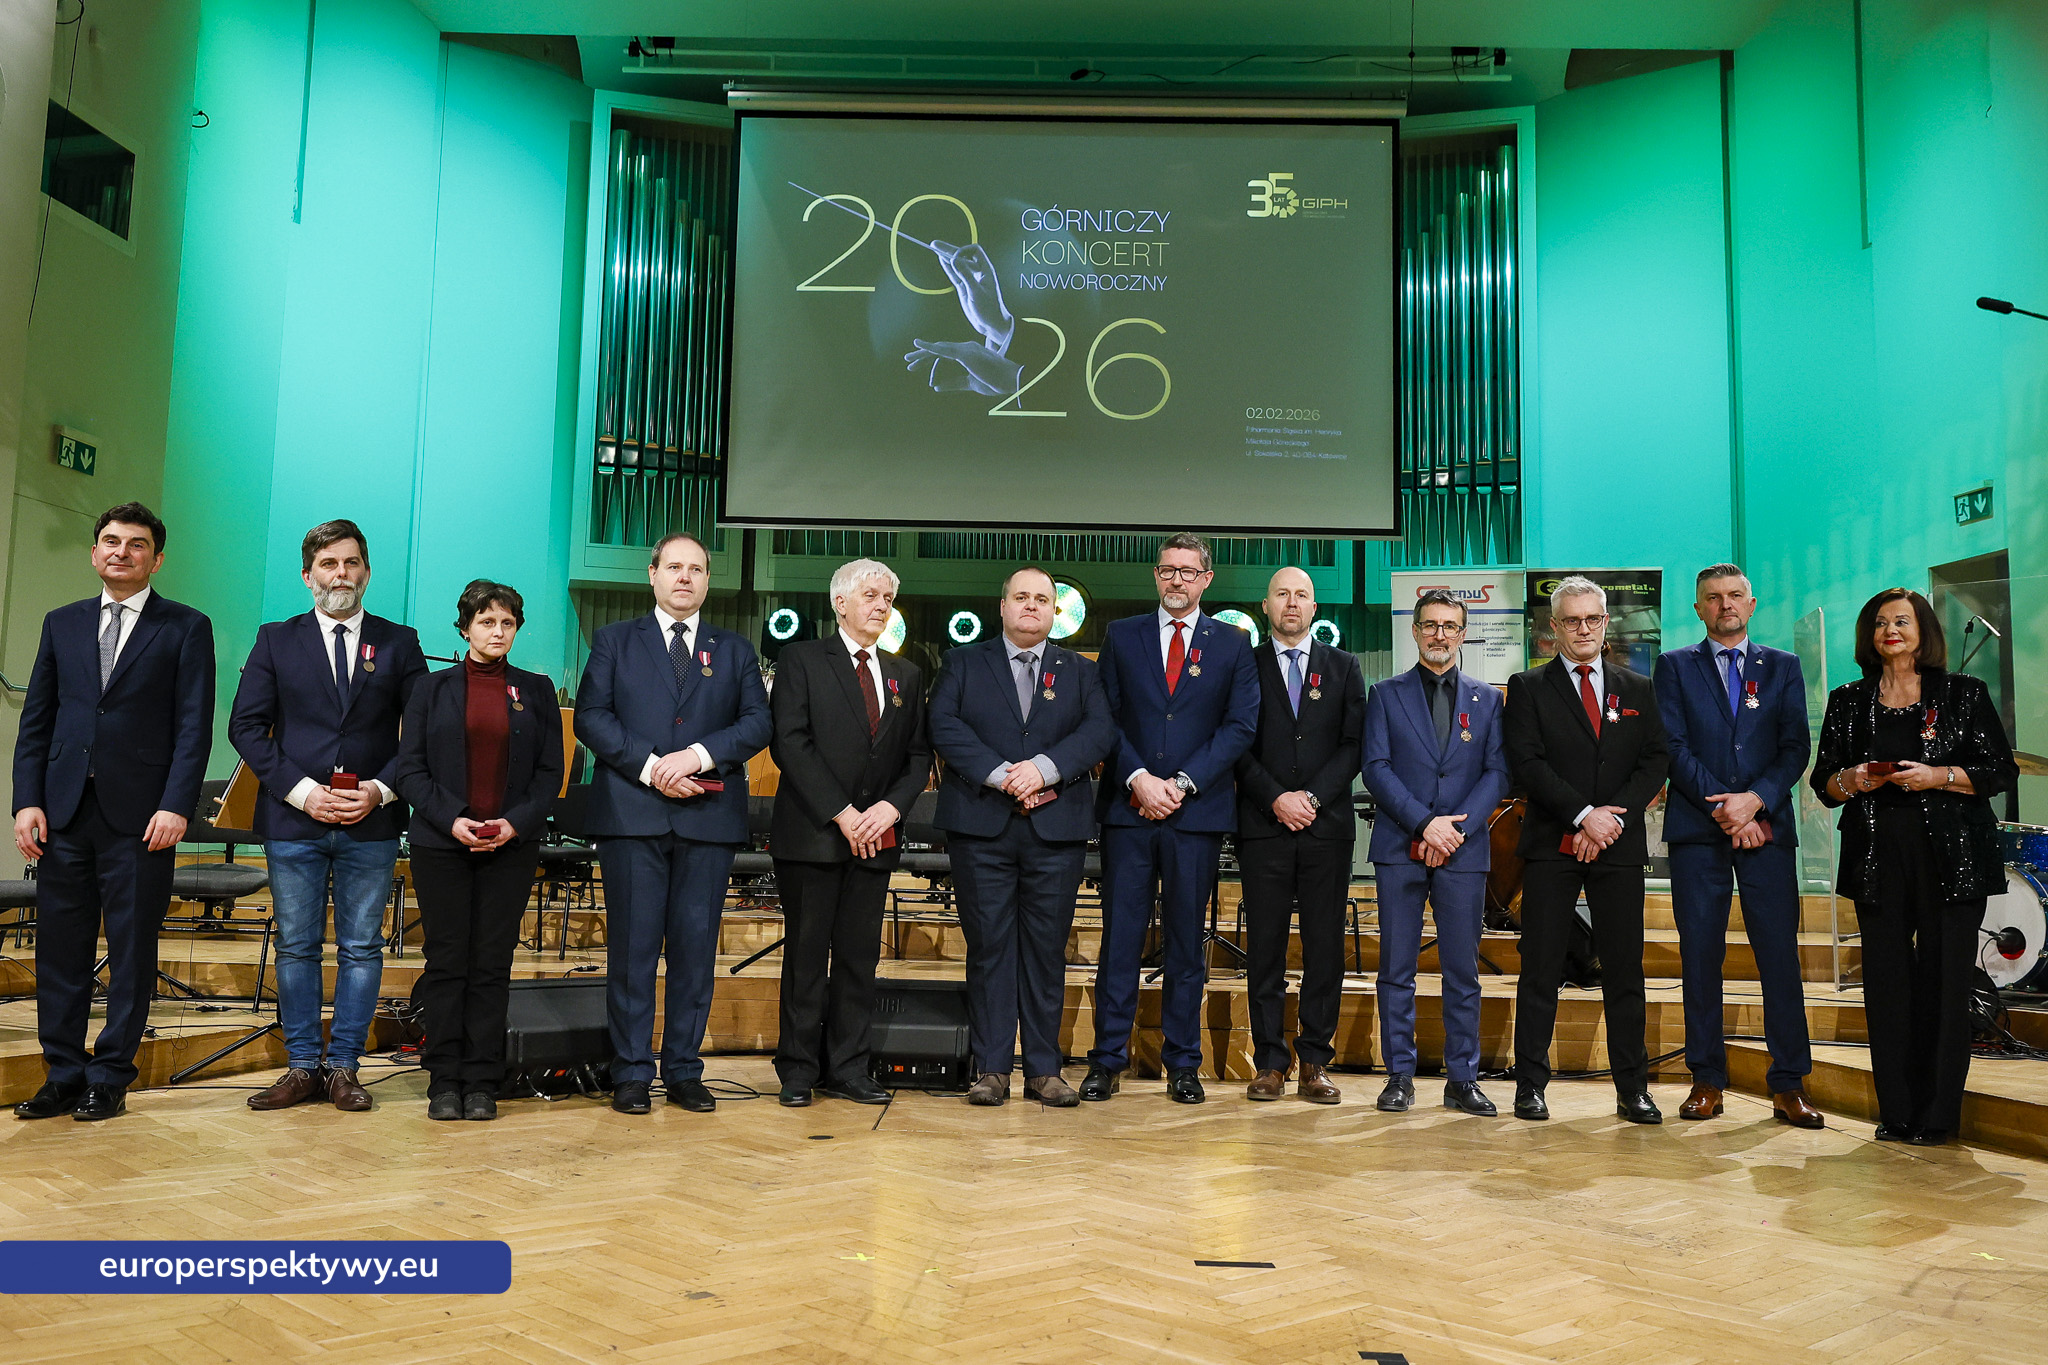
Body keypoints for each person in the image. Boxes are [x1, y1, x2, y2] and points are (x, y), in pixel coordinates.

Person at [12, 503, 214, 1123]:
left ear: (157, 558)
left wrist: (177, 805)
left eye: (136, 544)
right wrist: (27, 800)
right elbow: (37, 720)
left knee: (129, 951)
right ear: (95, 551)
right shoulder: (61, 622)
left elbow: (193, 726)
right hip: (64, 812)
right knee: (59, 951)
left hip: (143, 818)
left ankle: (109, 1077)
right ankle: (62, 1073)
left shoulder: (185, 626)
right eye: (110, 541)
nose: (121, 552)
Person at [229, 519, 428, 1113]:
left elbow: (423, 732)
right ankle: (301, 1067)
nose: (340, 574)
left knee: (362, 947)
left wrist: (380, 790)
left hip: (371, 821)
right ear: (307, 575)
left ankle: (344, 1068)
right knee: (296, 947)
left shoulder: (399, 642)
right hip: (294, 821)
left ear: (366, 571)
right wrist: (301, 791)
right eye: (328, 564)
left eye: (351, 562)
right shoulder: (275, 639)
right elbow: (245, 727)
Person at [1811, 588, 2016, 1146]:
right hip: (1877, 858)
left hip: (1953, 856)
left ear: (1923, 630)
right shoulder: (1848, 700)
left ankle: (1938, 1115)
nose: (1890, 631)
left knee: (1946, 985)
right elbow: (1824, 784)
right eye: (1880, 623)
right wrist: (1853, 779)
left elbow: (1999, 771)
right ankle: (1898, 1112)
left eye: (1901, 621)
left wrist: (1938, 776)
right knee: (1887, 985)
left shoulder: (1963, 694)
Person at [575, 533, 771, 1115]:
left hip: (707, 819)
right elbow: (591, 717)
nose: (685, 577)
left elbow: (757, 723)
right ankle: (631, 1071)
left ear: (708, 580)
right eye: (675, 567)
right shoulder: (614, 640)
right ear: (653, 574)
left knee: (694, 953)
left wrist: (698, 757)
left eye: (696, 569)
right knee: (632, 952)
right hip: (633, 817)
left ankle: (684, 1069)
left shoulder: (735, 650)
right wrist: (653, 767)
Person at [928, 566, 1115, 1106]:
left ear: (1055, 611)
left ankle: (1043, 1069)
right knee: (989, 947)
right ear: (1003, 606)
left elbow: (1099, 731)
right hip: (980, 826)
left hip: (1055, 831)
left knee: (1045, 949)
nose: (1031, 606)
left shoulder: (1081, 671)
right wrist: (1001, 774)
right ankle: (991, 1069)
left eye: (1041, 599)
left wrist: (1044, 769)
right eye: (1021, 597)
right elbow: (943, 724)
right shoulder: (963, 662)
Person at [1085, 532, 1259, 1105]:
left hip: (1195, 814)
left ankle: (1184, 1064)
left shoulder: (1233, 643)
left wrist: (1181, 784)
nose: (1176, 580)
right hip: (1129, 811)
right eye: (1167, 570)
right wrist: (1138, 777)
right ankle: (1106, 1060)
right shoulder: (1122, 634)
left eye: (1187, 571)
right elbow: (1104, 717)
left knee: (1187, 944)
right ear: (1156, 576)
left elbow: (1239, 726)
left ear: (1206, 579)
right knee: (1120, 941)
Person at [1653, 565, 1821, 1128]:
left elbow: (1795, 747)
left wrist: (1754, 801)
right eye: (1712, 598)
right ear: (1698, 609)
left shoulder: (1784, 666)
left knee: (1778, 957)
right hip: (1698, 831)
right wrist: (1725, 809)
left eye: (1734, 596)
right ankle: (1706, 1079)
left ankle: (1789, 1084)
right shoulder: (1674, 666)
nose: (1724, 604)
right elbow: (1673, 747)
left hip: (1766, 829)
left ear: (1751, 605)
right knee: (1701, 957)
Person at [391, 581, 562, 1120]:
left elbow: (549, 774)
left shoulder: (536, 690)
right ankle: (444, 1080)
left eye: (507, 623)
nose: (498, 632)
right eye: (487, 622)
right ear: (465, 629)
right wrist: (452, 819)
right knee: (447, 964)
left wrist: (514, 823)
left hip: (510, 847)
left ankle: (483, 1081)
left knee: (492, 964)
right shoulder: (430, 688)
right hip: (442, 845)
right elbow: (409, 771)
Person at [1503, 575, 1670, 1124]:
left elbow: (1655, 760)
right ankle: (1530, 1086)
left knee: (1623, 969)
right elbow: (1527, 763)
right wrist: (1583, 816)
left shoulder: (1637, 687)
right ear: (1553, 627)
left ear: (1606, 623)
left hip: (1617, 845)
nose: (1583, 629)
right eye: (1571, 620)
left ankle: (1633, 1089)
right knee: (1540, 968)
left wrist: (1611, 819)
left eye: (1592, 619)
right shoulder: (1528, 686)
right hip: (1553, 844)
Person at [768, 559, 931, 1107]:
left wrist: (889, 809)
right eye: (870, 595)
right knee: (807, 957)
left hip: (876, 837)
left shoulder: (906, 674)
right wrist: (842, 812)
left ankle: (849, 1067)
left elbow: (917, 756)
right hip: (814, 835)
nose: (881, 605)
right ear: (840, 603)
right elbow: (790, 743)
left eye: (888, 597)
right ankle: (797, 1069)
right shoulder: (801, 659)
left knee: (860, 960)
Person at [1361, 589, 1509, 1116]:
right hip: (1401, 846)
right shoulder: (1385, 694)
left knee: (1462, 972)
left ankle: (1462, 1079)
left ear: (1463, 633)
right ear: (1415, 630)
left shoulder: (1488, 699)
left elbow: (1498, 773)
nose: (1439, 634)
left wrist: (1454, 831)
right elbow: (1375, 768)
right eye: (1430, 625)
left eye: (1449, 626)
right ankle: (1399, 1076)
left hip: (1463, 852)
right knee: (1396, 968)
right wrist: (1425, 824)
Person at [1234, 567, 1365, 1104]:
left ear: (1314, 608)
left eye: (1302, 595)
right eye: (1282, 594)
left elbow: (1354, 745)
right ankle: (1269, 1061)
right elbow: (1235, 742)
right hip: (1262, 826)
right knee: (1264, 948)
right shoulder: (1243, 665)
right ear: (1265, 606)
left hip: (1325, 827)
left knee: (1324, 948)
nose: (1292, 602)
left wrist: (1309, 798)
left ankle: (1314, 1061)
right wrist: (1275, 798)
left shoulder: (1344, 666)